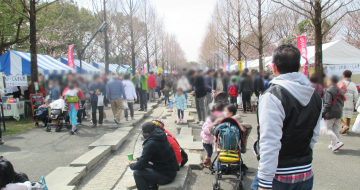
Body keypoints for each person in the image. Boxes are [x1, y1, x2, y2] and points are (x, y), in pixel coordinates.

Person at [251, 44, 322, 190]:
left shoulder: (273, 96)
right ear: (300, 67)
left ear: (274, 67)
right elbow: (313, 137)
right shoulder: (316, 97)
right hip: (305, 173)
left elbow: (270, 142)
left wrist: (264, 182)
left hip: (278, 175)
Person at [128, 122, 178, 190]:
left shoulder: (151, 143)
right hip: (171, 171)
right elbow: (147, 157)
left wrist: (131, 165)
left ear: (146, 133)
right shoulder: (160, 136)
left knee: (137, 173)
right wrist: (137, 159)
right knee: (146, 165)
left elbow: (141, 164)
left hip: (166, 176)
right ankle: (153, 187)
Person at [322, 75, 345, 151]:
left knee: (328, 129)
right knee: (335, 128)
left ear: (331, 81)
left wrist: (322, 113)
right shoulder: (340, 90)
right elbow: (342, 102)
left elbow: (327, 104)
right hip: (339, 112)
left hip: (331, 113)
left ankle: (336, 142)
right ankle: (334, 144)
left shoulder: (329, 90)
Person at [201, 103, 224, 168]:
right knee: (209, 153)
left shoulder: (216, 120)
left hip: (210, 140)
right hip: (206, 140)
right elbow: (205, 129)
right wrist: (212, 131)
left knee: (210, 151)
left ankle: (209, 162)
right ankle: (205, 162)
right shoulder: (209, 120)